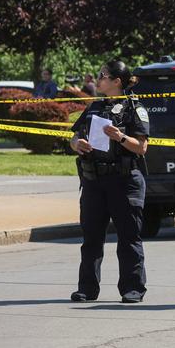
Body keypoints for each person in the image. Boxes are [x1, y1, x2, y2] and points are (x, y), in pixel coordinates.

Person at [68, 60, 150, 303]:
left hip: (124, 181)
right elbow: (74, 136)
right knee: (91, 238)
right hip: (94, 181)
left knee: (128, 237)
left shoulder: (134, 108)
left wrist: (121, 136)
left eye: (103, 75)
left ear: (117, 81)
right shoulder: (95, 107)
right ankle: (87, 289)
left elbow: (142, 147)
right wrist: (76, 144)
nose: (98, 79)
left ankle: (132, 289)